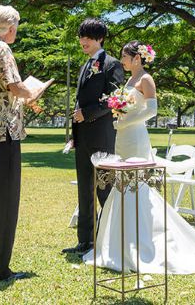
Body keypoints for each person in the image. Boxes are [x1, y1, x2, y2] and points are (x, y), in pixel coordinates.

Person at [84, 41, 195, 274]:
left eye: (125, 57)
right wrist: (117, 117)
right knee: (122, 183)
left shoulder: (146, 80)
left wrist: (124, 121)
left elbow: (151, 110)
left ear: (137, 58)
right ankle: (122, 241)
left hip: (136, 136)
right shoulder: (128, 81)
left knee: (137, 185)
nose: (122, 60)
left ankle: (143, 240)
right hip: (122, 137)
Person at [0, 5, 53, 282]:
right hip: (2, 133)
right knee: (2, 202)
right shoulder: (2, 49)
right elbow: (14, 86)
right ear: (10, 27)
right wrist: (34, 92)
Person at [62, 18, 125, 254]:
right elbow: (79, 100)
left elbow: (113, 100)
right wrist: (74, 133)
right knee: (84, 189)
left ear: (100, 38)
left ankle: (110, 239)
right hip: (83, 137)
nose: (82, 41)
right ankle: (85, 241)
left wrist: (86, 114)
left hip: (102, 135)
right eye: (81, 36)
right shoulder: (85, 66)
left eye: (87, 37)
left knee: (104, 188)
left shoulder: (112, 64)